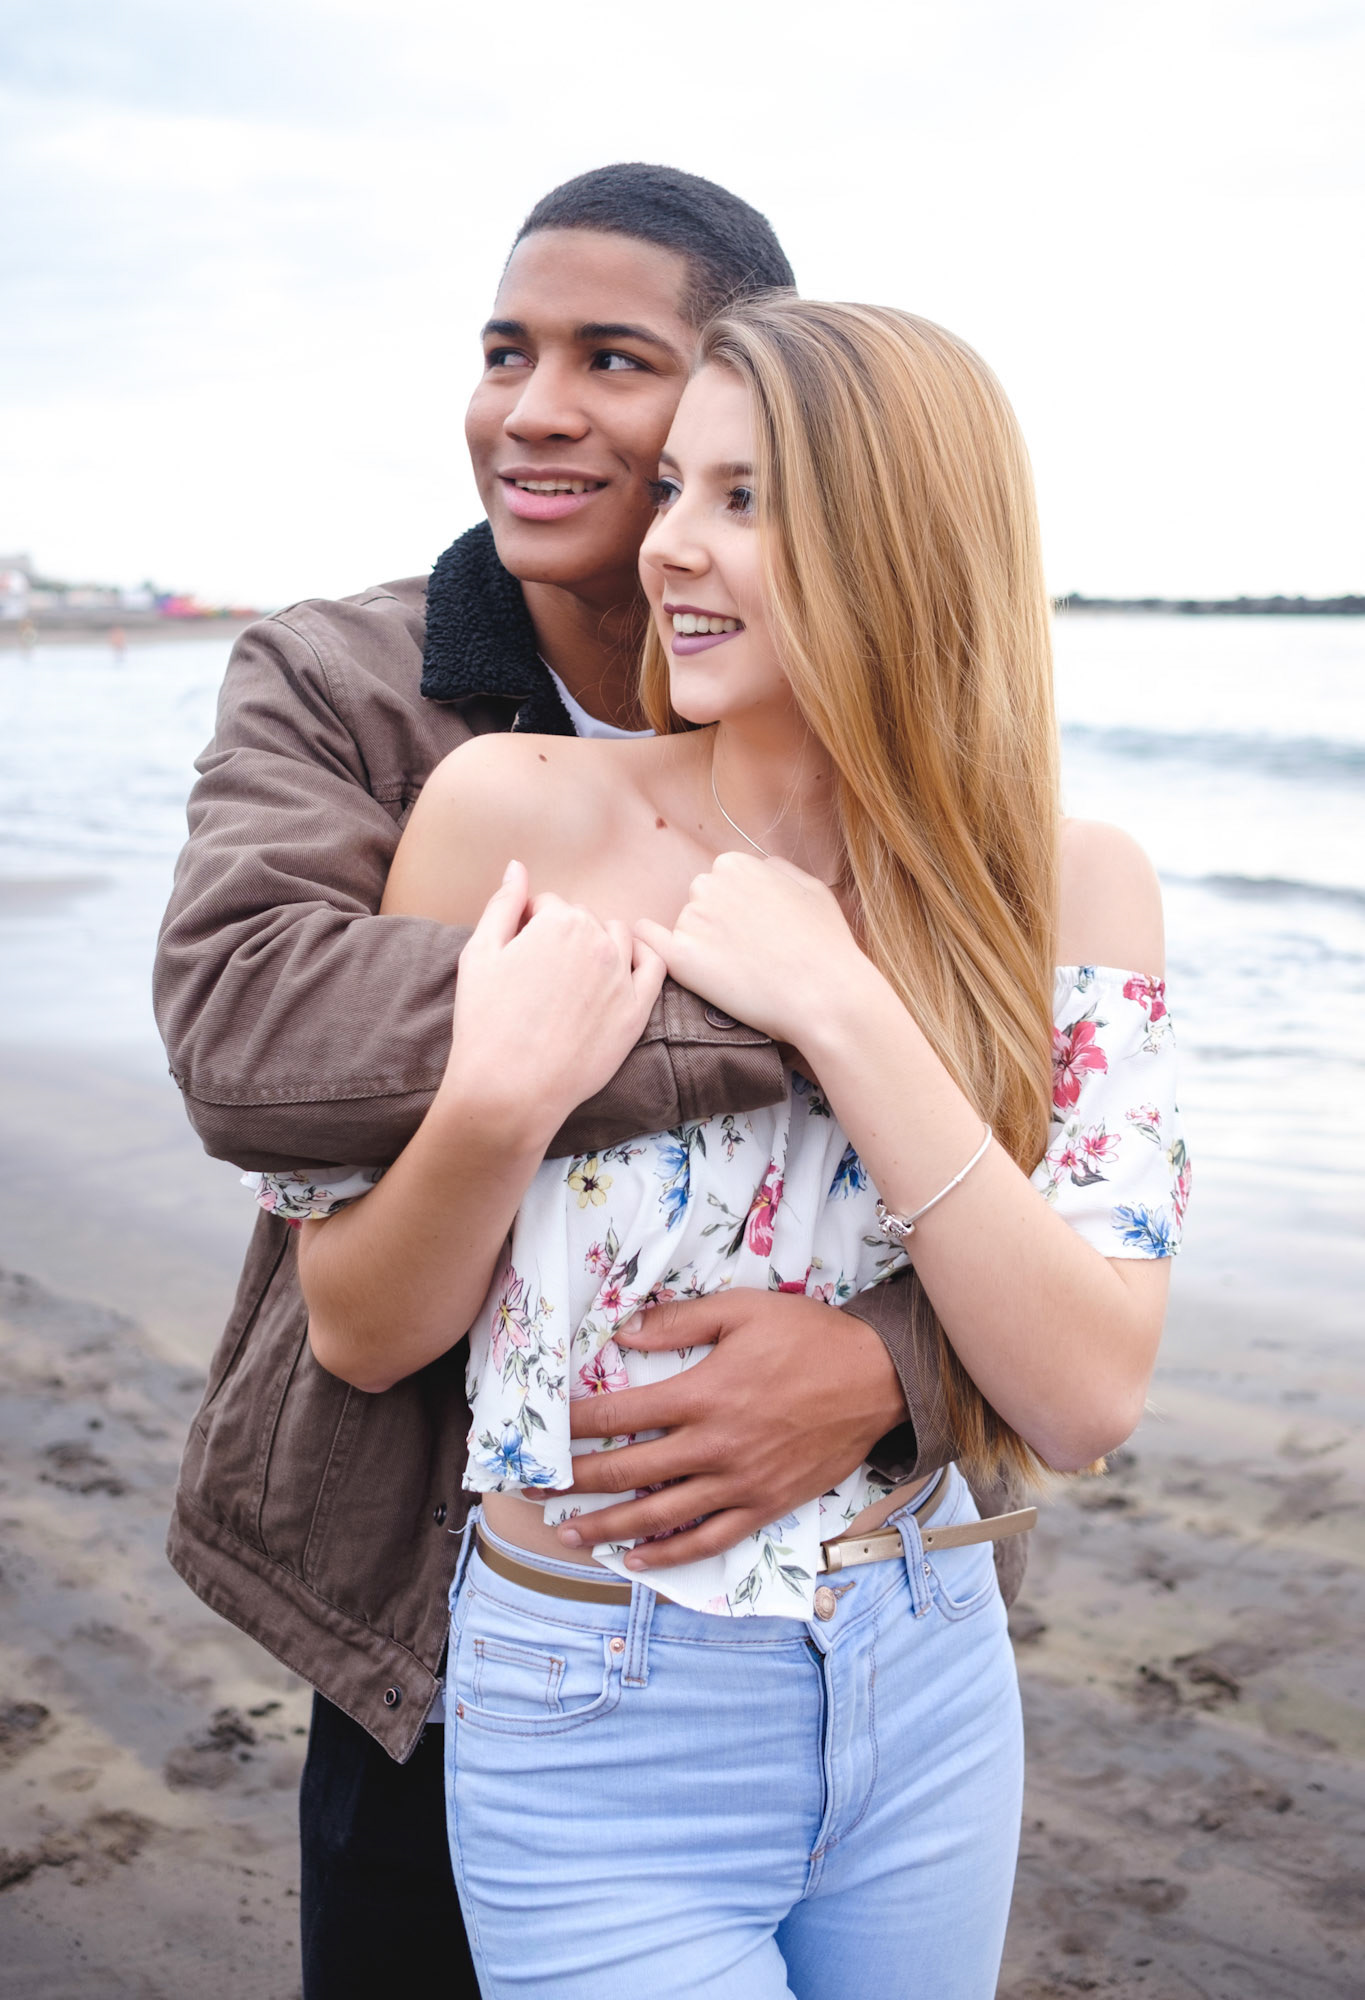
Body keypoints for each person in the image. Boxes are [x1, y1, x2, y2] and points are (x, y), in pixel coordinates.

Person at [267, 299, 1190, 1997]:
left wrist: (842, 1008)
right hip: (590, 1699)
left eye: (745, 499)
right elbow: (360, 1330)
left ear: (904, 540)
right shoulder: (511, 817)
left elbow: (1083, 1397)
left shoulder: (1073, 885)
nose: (670, 544)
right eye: (678, 486)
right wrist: (496, 1106)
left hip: (926, 1665)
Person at [155, 169, 1003, 1997]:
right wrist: (809, 1008)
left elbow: (1049, 1177)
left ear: (756, 402)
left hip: (837, 1604)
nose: (531, 408)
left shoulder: (899, 752)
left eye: (611, 360)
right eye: (502, 353)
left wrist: (896, 1366)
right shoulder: (350, 684)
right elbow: (249, 1029)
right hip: (424, 1589)